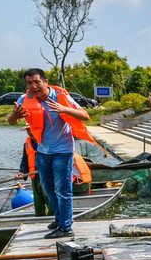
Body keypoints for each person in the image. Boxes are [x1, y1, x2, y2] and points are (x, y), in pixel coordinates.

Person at [7, 67, 93, 239]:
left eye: (37, 82)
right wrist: (14, 115)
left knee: (63, 189)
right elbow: (11, 121)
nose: (33, 86)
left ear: (45, 82)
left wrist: (64, 109)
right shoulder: (25, 99)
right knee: (48, 189)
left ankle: (66, 227)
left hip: (63, 150)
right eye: (29, 83)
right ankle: (60, 218)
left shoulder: (60, 97)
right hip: (42, 152)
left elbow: (85, 115)